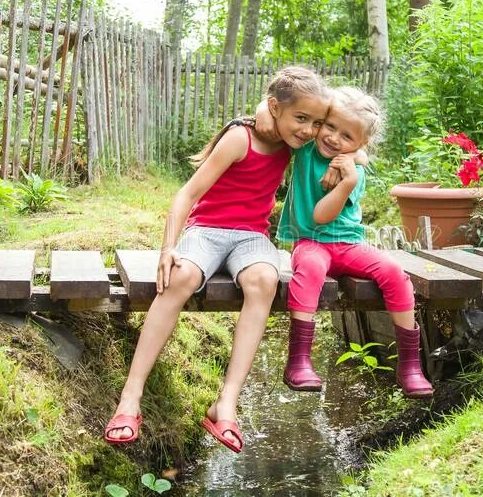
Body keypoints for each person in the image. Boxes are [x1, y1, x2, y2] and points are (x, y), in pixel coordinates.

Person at [104, 67, 331, 452]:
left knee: (264, 280)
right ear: (275, 107)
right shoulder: (240, 138)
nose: (309, 130)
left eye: (315, 123)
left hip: (252, 237)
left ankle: (226, 403)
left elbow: (348, 132)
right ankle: (130, 397)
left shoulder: (295, 142)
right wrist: (168, 248)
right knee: (181, 277)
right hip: (207, 230)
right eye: (301, 119)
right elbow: (186, 195)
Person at [276, 87, 434, 399]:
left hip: (349, 245)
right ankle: (298, 361)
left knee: (394, 274)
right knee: (308, 270)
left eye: (346, 137)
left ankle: (410, 365)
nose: (333, 138)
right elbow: (318, 218)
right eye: (330, 126)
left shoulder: (355, 172)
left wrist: (349, 178)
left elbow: (327, 212)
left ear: (360, 144)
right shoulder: (305, 149)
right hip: (311, 241)